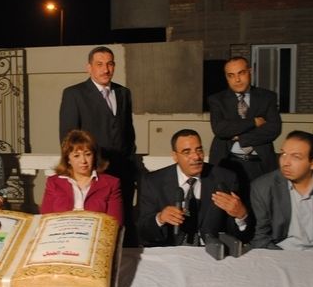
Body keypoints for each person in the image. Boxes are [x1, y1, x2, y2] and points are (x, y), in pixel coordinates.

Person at [59, 46, 137, 244]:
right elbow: (68, 139)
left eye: (110, 64)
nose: (105, 69)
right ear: (89, 67)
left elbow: (128, 132)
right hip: (93, 172)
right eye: (100, 64)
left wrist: (131, 163)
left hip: (123, 173)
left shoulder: (123, 93)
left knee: (123, 223)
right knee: (95, 226)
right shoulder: (74, 94)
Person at [137, 129, 253, 247]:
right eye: (187, 152)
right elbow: (142, 230)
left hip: (211, 250)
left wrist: (241, 215)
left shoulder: (225, 179)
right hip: (169, 250)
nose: (196, 157)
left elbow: (240, 235)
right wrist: (160, 218)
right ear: (175, 156)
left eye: (199, 150)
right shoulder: (153, 181)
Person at [208, 56, 282, 200]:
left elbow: (274, 128)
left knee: (261, 206)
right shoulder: (217, 100)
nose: (237, 79)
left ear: (250, 71)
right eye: (231, 75)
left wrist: (241, 138)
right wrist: (253, 122)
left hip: (260, 163)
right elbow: (220, 129)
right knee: (228, 207)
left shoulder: (267, 97)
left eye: (241, 73)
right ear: (226, 77)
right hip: (228, 162)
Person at [40, 129, 123, 226]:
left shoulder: (111, 183)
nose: (83, 161)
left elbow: (114, 224)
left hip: (95, 234)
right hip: (60, 233)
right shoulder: (54, 182)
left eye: (88, 154)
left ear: (94, 156)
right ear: (68, 159)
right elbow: (45, 220)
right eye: (76, 156)